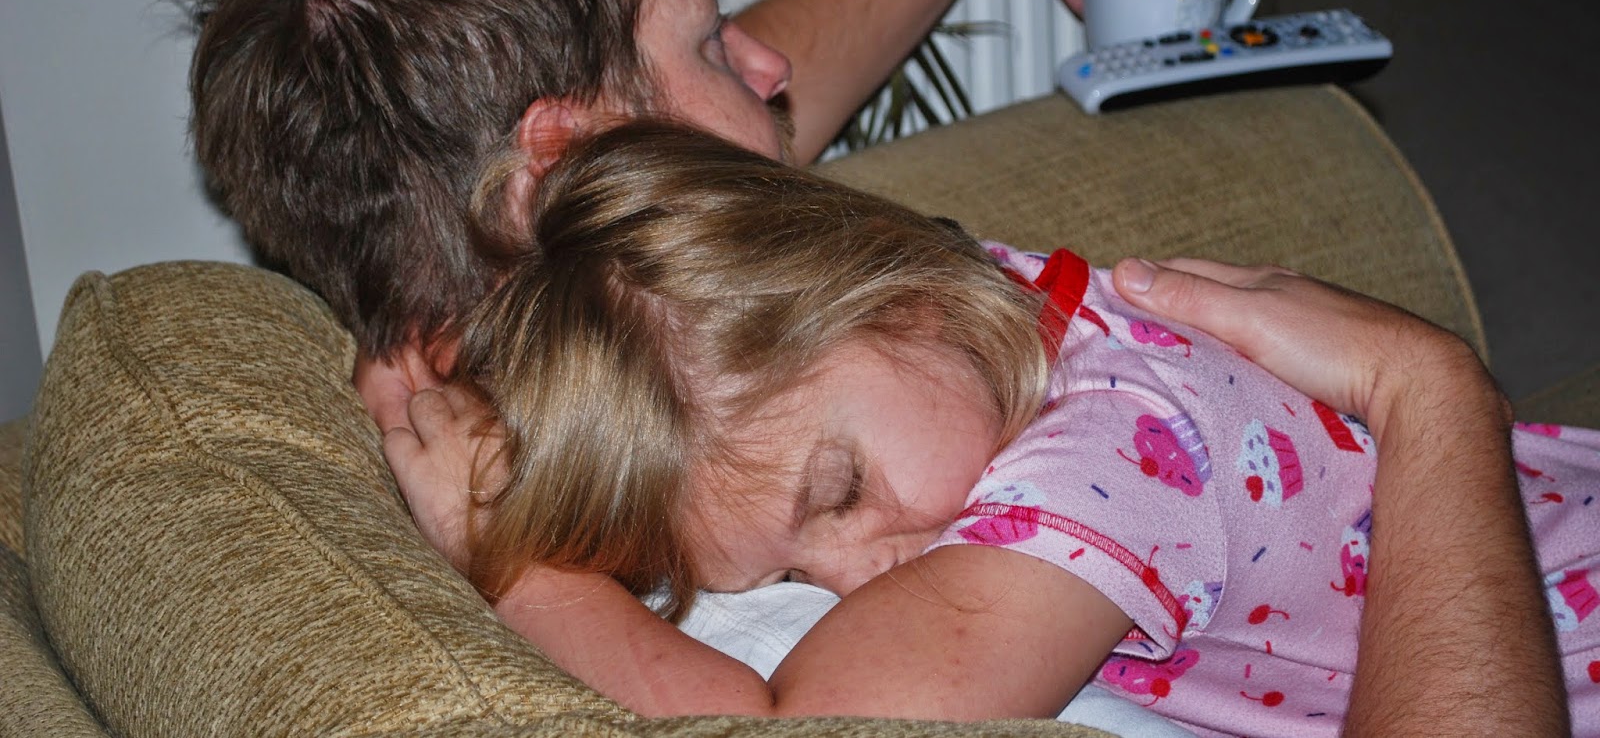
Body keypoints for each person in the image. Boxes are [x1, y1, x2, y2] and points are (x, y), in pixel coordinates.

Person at [186, 0, 1565, 734]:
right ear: (577, 159)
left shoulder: (638, 318)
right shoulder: (761, 397)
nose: (773, 68)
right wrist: (521, 563)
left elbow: (721, 141)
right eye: (711, 43)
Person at [403, 121, 1596, 735]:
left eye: (838, 493)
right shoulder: (991, 313)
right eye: (789, 575)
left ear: (898, 297)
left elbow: (805, 733)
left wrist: (520, 568)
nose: (856, 576)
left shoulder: (1110, 455)